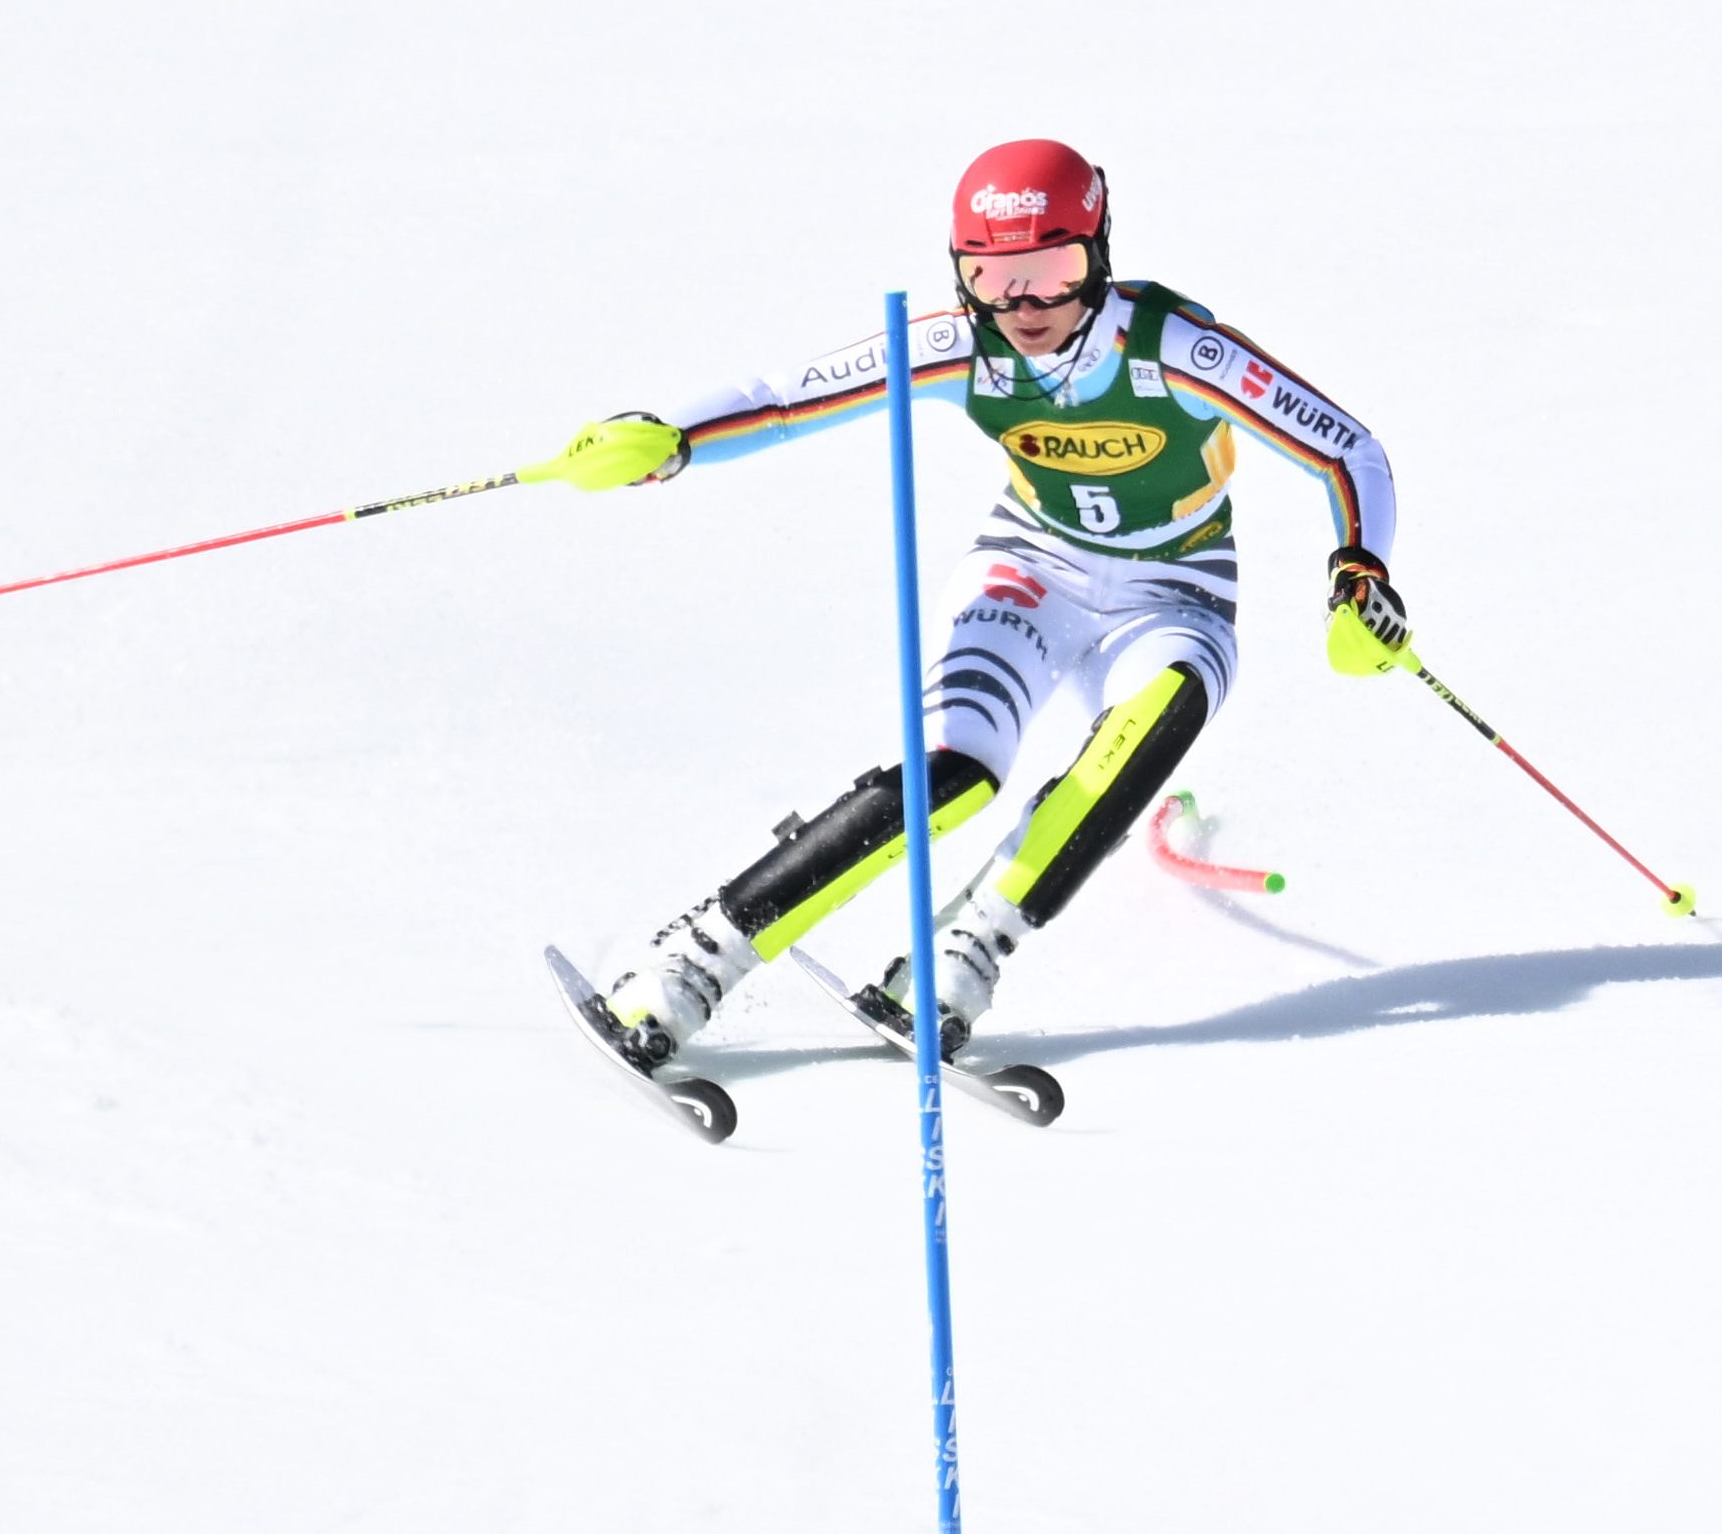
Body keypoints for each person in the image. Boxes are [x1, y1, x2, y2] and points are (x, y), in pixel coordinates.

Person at [554, 139, 1409, 1070]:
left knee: (1148, 735)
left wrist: (1360, 567)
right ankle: (689, 962)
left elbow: (1347, 449)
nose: (1024, 306)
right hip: (1030, 572)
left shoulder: (1174, 345)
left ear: (1100, 253)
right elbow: (786, 401)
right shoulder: (963, 343)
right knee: (956, 774)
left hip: (1176, 591)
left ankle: (964, 954)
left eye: (1052, 271)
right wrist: (674, 440)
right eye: (993, 277)